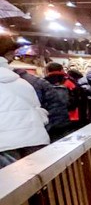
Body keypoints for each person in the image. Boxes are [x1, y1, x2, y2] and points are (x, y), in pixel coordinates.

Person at [0, 36, 49, 167]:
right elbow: (40, 113)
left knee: (10, 179)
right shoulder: (22, 82)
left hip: (4, 145)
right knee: (36, 176)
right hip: (35, 140)